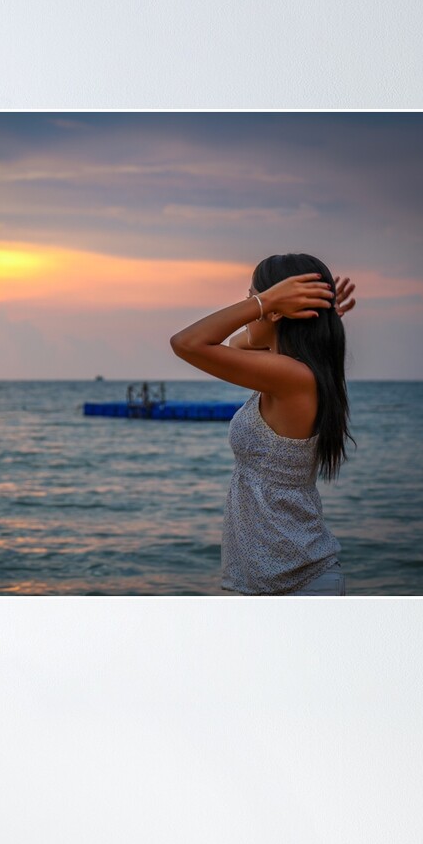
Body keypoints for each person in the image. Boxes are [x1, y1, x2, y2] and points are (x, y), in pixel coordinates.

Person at [170, 253, 357, 596]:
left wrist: (266, 301)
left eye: (250, 296)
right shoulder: (289, 370)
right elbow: (237, 343)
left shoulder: (293, 376)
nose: (248, 307)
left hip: (295, 585)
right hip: (275, 583)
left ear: (273, 310)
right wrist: (273, 306)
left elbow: (186, 343)